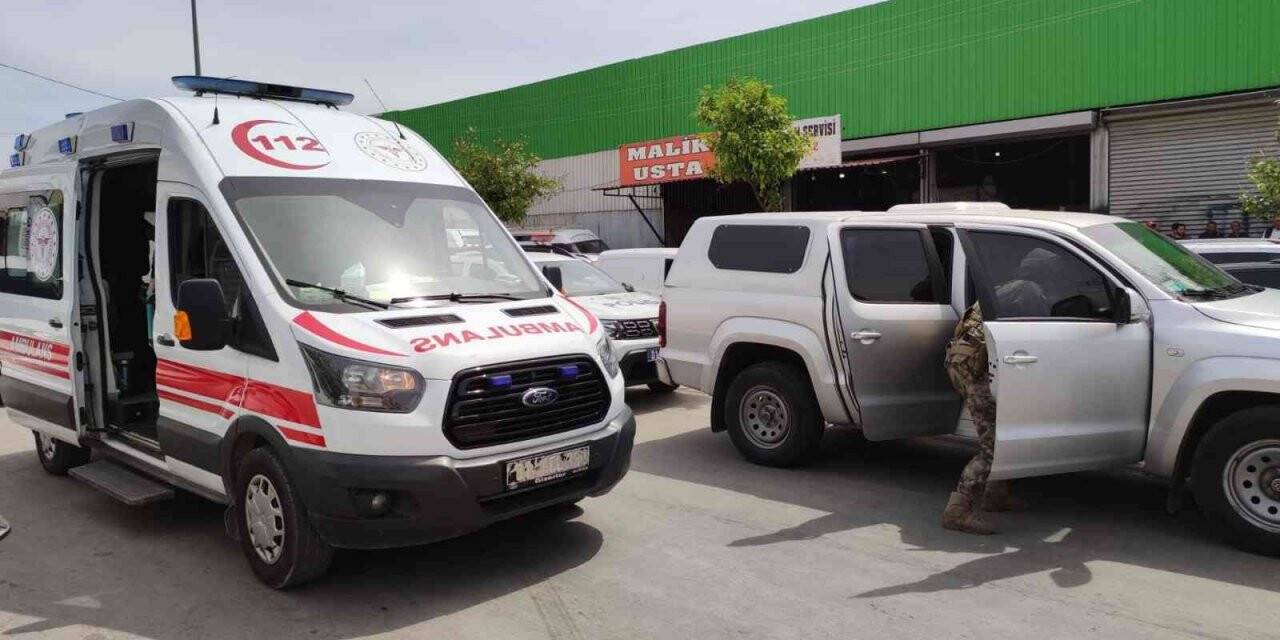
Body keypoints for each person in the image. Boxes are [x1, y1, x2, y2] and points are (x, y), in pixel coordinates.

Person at [941, 302, 1022, 534]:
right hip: (977, 372)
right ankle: (957, 512)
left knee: (1004, 433)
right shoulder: (1030, 291)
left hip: (964, 364)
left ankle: (995, 495)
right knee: (992, 448)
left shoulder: (1001, 288)